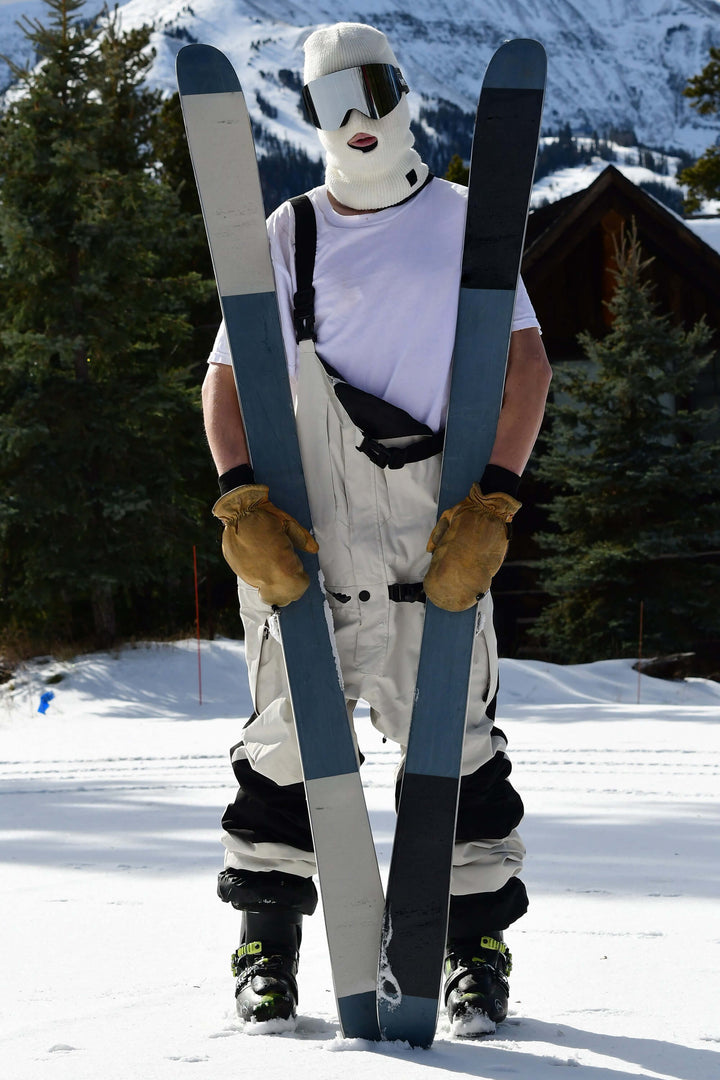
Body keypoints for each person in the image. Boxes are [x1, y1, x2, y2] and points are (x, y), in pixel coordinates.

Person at [202, 22, 552, 1036]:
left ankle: (473, 952)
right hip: (308, 532)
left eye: (368, 92)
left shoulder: (462, 221)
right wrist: (241, 501)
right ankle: (265, 946)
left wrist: (491, 499)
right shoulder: (290, 230)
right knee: (283, 744)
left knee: (460, 742)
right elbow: (227, 379)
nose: (355, 122)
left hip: (436, 527)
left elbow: (524, 365)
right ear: (310, 117)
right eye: (326, 102)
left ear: (399, 90)